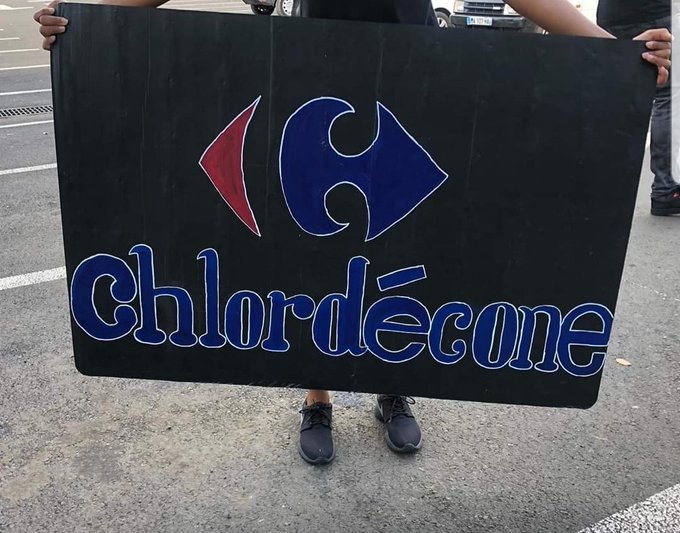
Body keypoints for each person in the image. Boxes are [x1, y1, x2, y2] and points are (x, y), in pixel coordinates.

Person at [35, 0, 672, 466]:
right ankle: (317, 396)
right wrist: (87, 17)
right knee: (311, 258)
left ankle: (394, 380)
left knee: (401, 249)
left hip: (420, 77)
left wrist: (618, 54)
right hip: (313, 68)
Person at [597, 0, 679, 216]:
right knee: (669, 96)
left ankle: (602, 187)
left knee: (617, 94)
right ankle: (666, 188)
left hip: (610, 16)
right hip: (653, 13)